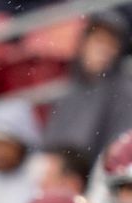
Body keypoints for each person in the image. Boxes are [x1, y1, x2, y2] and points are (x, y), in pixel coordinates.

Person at [43, 12, 132, 164]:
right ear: (84, 43)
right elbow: (50, 145)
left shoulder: (124, 93)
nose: (103, 50)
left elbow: (118, 153)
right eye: (98, 40)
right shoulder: (70, 89)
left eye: (110, 43)